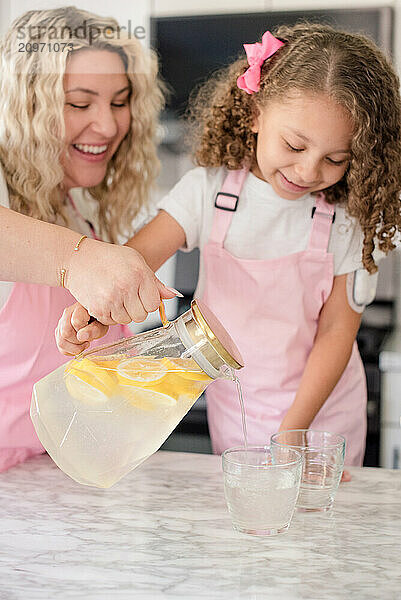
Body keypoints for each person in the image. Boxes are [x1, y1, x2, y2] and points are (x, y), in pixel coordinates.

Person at [57, 24, 401, 467]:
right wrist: (99, 312)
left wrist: (293, 429)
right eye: (294, 145)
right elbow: (133, 264)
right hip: (235, 412)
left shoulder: (346, 221)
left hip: (322, 421)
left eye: (336, 159)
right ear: (256, 113)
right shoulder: (208, 193)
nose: (308, 170)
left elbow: (337, 332)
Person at [0, 7, 180, 473]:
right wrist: (75, 260)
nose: (106, 125)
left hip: (52, 485)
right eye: (80, 103)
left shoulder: (84, 207)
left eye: (120, 102)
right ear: (28, 106)